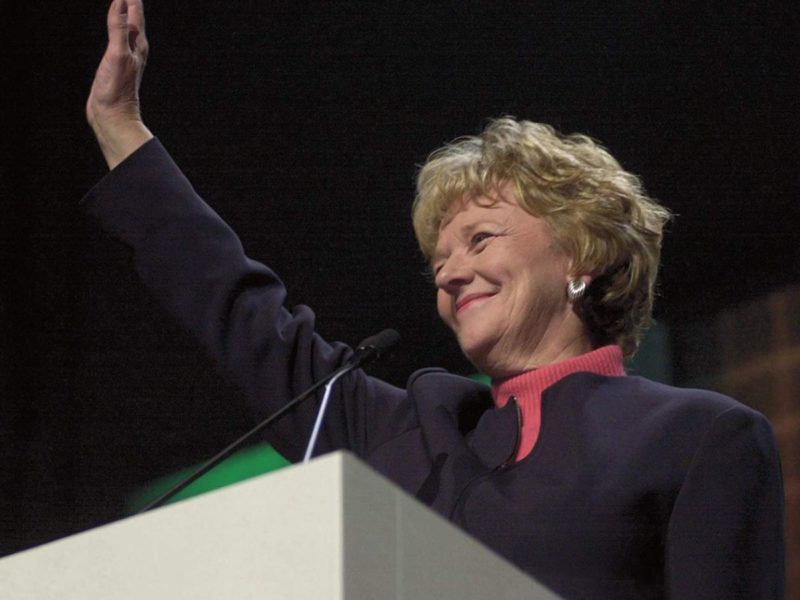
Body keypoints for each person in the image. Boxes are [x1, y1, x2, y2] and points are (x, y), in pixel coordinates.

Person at [85, 1, 785, 597]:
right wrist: (122, 130)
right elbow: (242, 315)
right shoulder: (407, 434)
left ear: (583, 253)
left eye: (480, 239)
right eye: (439, 259)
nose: (449, 274)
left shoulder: (698, 439)